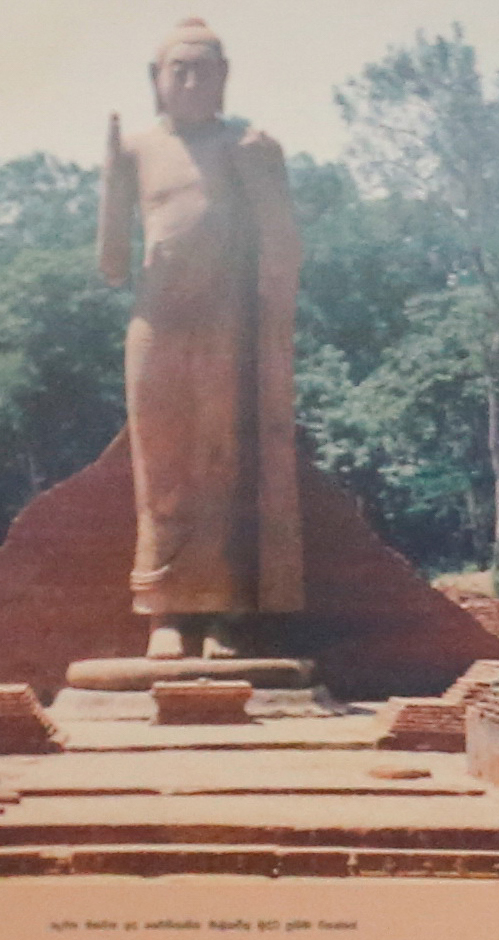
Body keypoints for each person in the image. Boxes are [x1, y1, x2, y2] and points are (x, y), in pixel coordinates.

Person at [97, 18, 304, 651]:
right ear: (155, 79)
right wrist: (111, 176)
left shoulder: (247, 146)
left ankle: (223, 611)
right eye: (178, 70)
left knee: (222, 463)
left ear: (225, 77)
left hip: (226, 321)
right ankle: (164, 612)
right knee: (159, 465)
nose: (191, 82)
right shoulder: (137, 149)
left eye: (204, 71)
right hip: (157, 319)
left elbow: (283, 250)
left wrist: (266, 178)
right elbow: (112, 265)